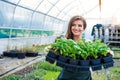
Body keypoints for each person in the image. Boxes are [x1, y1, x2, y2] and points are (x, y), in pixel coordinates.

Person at [57, 15, 92, 80]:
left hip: (84, 77)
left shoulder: (88, 43)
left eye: (80, 25)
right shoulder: (64, 42)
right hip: (66, 76)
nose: (76, 28)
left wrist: (108, 52)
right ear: (70, 27)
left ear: (83, 28)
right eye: (73, 25)